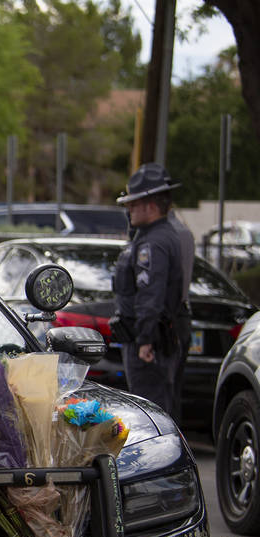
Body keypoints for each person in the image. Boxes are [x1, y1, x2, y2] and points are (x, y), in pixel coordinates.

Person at [112, 163, 193, 420]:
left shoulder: (154, 242)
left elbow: (151, 294)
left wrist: (146, 339)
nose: (129, 209)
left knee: (151, 414)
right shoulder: (153, 236)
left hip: (148, 343)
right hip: (149, 337)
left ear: (150, 204)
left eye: (133, 204)